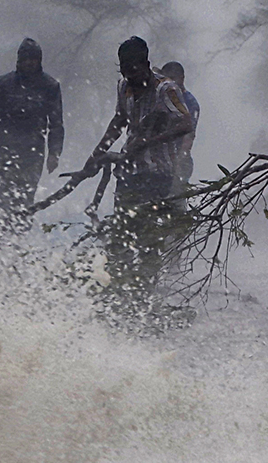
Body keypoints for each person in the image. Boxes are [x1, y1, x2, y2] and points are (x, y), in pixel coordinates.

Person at [81, 36, 195, 313]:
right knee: (120, 238)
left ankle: (142, 302)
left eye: (135, 69)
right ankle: (119, 299)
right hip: (129, 173)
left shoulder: (165, 90)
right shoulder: (124, 87)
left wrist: (149, 141)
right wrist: (95, 155)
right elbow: (119, 120)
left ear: (146, 64)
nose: (130, 75)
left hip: (159, 176)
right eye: (125, 69)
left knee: (148, 242)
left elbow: (185, 122)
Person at [0, 38, 63, 234]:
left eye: (33, 59)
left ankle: (18, 241)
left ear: (39, 60)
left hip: (33, 153)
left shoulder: (49, 86)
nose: (29, 63)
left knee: (25, 200)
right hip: (6, 151)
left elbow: (56, 124)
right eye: (25, 59)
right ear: (18, 60)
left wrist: (54, 153)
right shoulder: (4, 84)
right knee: (3, 198)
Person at [159, 61, 201, 186]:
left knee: (175, 199)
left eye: (172, 78)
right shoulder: (163, 97)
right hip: (162, 159)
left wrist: (179, 161)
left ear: (182, 78)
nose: (168, 83)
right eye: (166, 79)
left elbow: (189, 135)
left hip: (179, 160)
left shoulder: (189, 102)